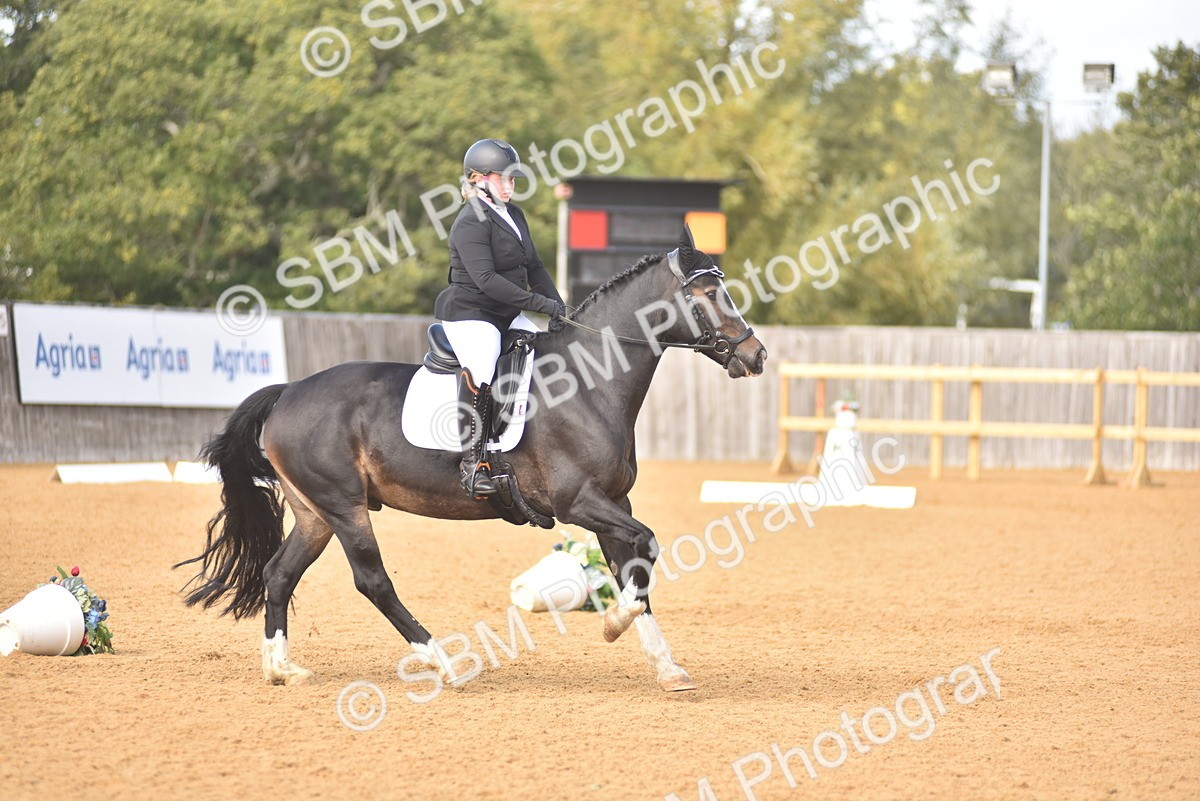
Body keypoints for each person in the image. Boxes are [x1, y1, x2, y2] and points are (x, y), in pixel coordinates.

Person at [434, 138, 566, 499]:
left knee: (550, 350)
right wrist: (541, 304)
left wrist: (560, 307)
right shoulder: (470, 222)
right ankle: (473, 463)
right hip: (472, 314)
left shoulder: (515, 214)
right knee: (482, 363)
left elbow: (534, 265)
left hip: (507, 312)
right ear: (477, 179)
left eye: (513, 179)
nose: (510, 186)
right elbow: (488, 281)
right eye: (502, 178)